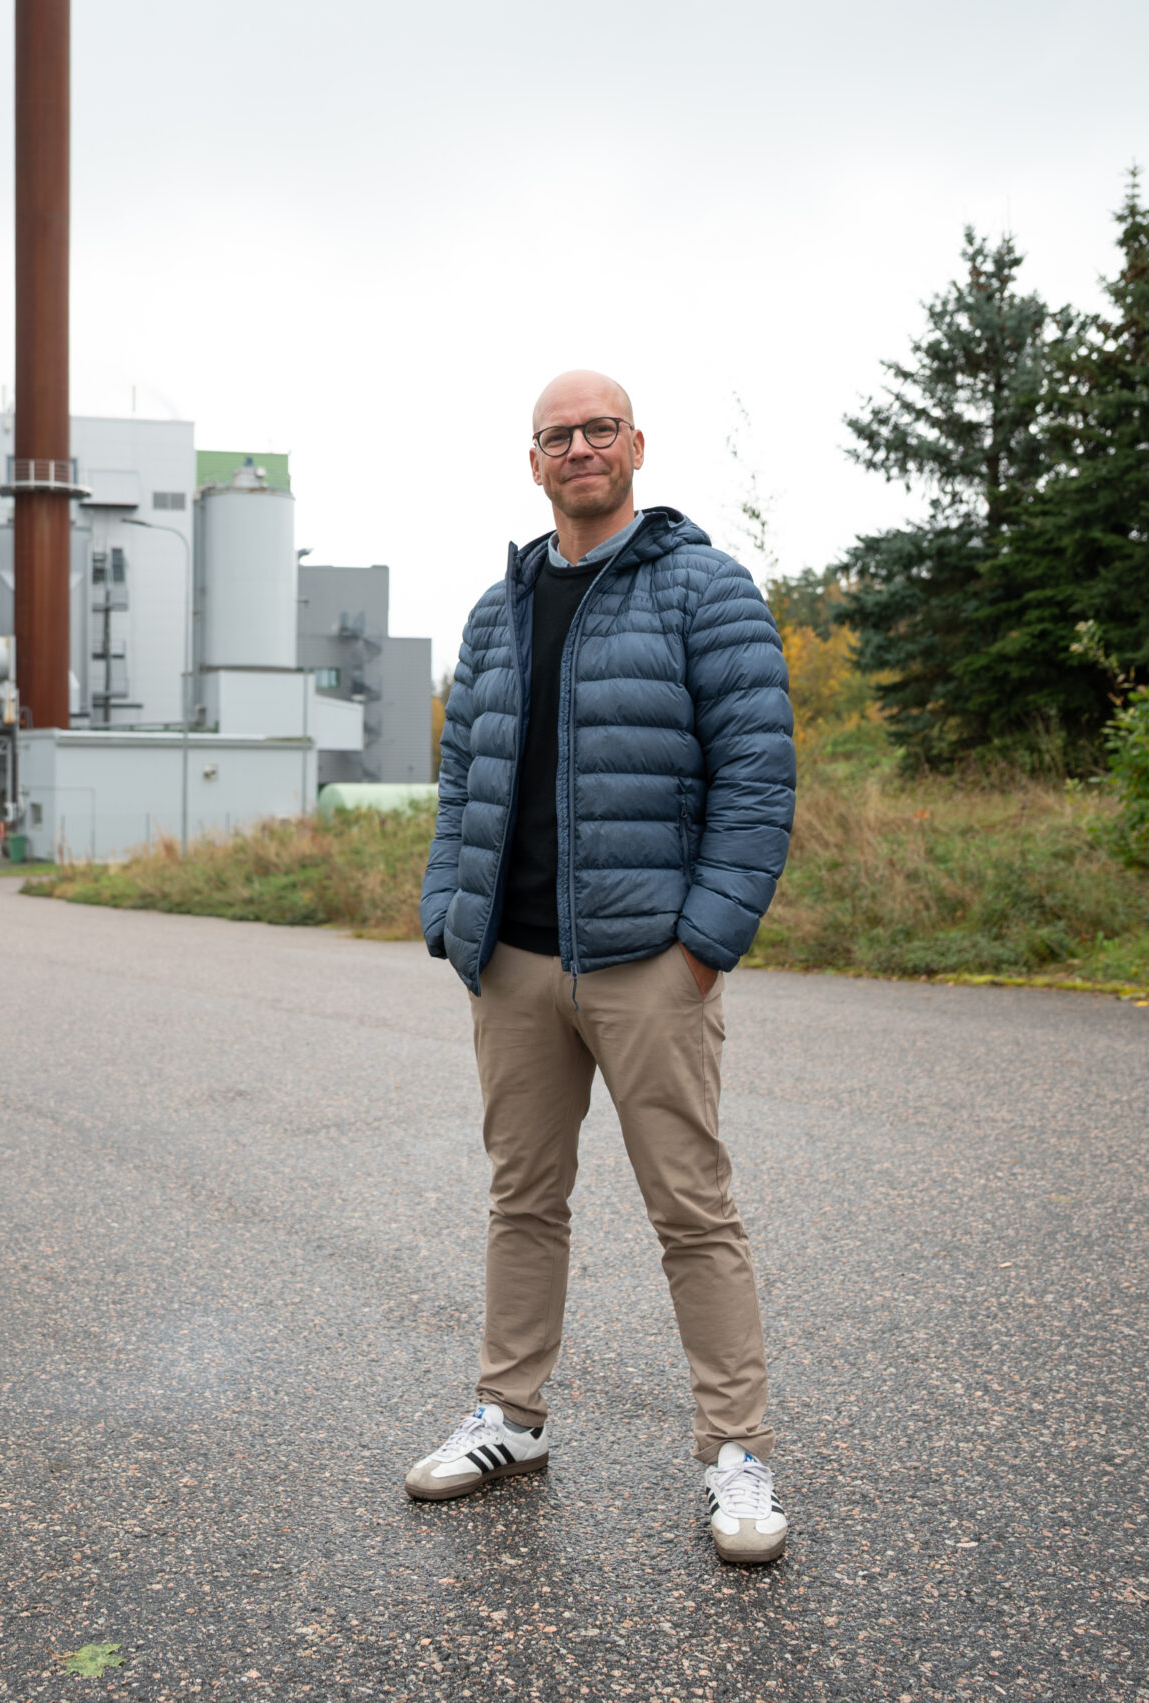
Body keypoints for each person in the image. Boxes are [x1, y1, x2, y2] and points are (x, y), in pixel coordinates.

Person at [409, 371, 796, 1565]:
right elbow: (464, 773)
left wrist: (702, 944)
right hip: (513, 961)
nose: (579, 448)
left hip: (647, 963)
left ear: (635, 446)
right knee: (522, 1199)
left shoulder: (703, 587)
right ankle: (509, 1416)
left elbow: (757, 775)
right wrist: (448, 917)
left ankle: (735, 1453)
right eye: (556, 435)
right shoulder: (499, 607)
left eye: (599, 429)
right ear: (533, 464)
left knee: (692, 1210)